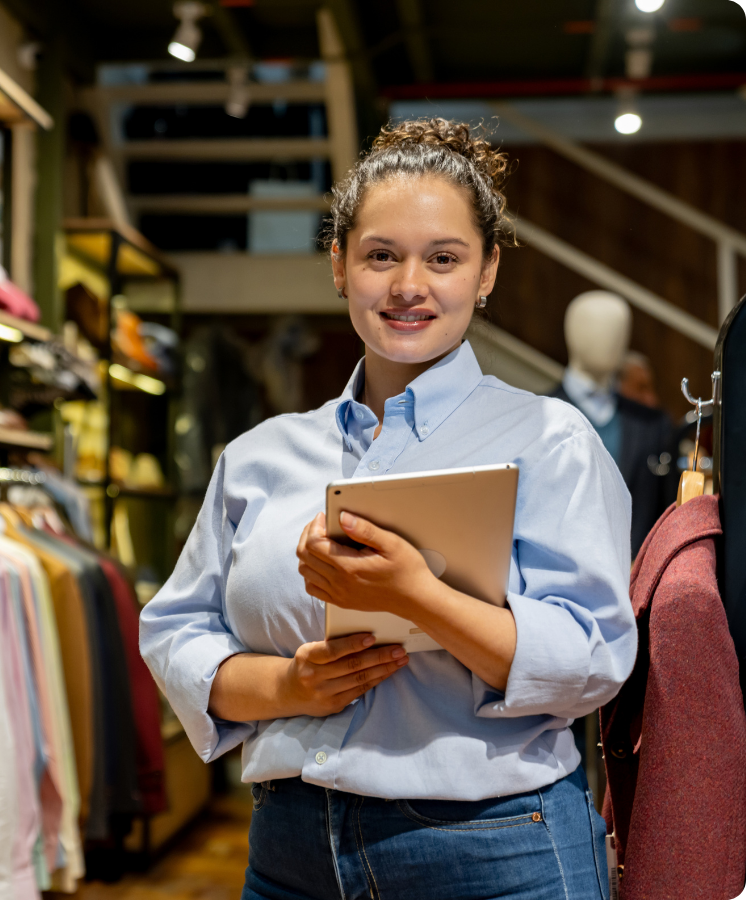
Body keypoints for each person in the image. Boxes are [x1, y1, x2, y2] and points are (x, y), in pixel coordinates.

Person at [140, 118, 637, 900]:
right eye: (380, 255)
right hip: (288, 853)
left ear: (487, 272)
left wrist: (418, 597)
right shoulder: (259, 456)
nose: (410, 285)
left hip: (496, 851)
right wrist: (287, 690)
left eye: (444, 258)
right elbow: (177, 632)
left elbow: (594, 659)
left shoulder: (548, 439)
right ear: (339, 265)